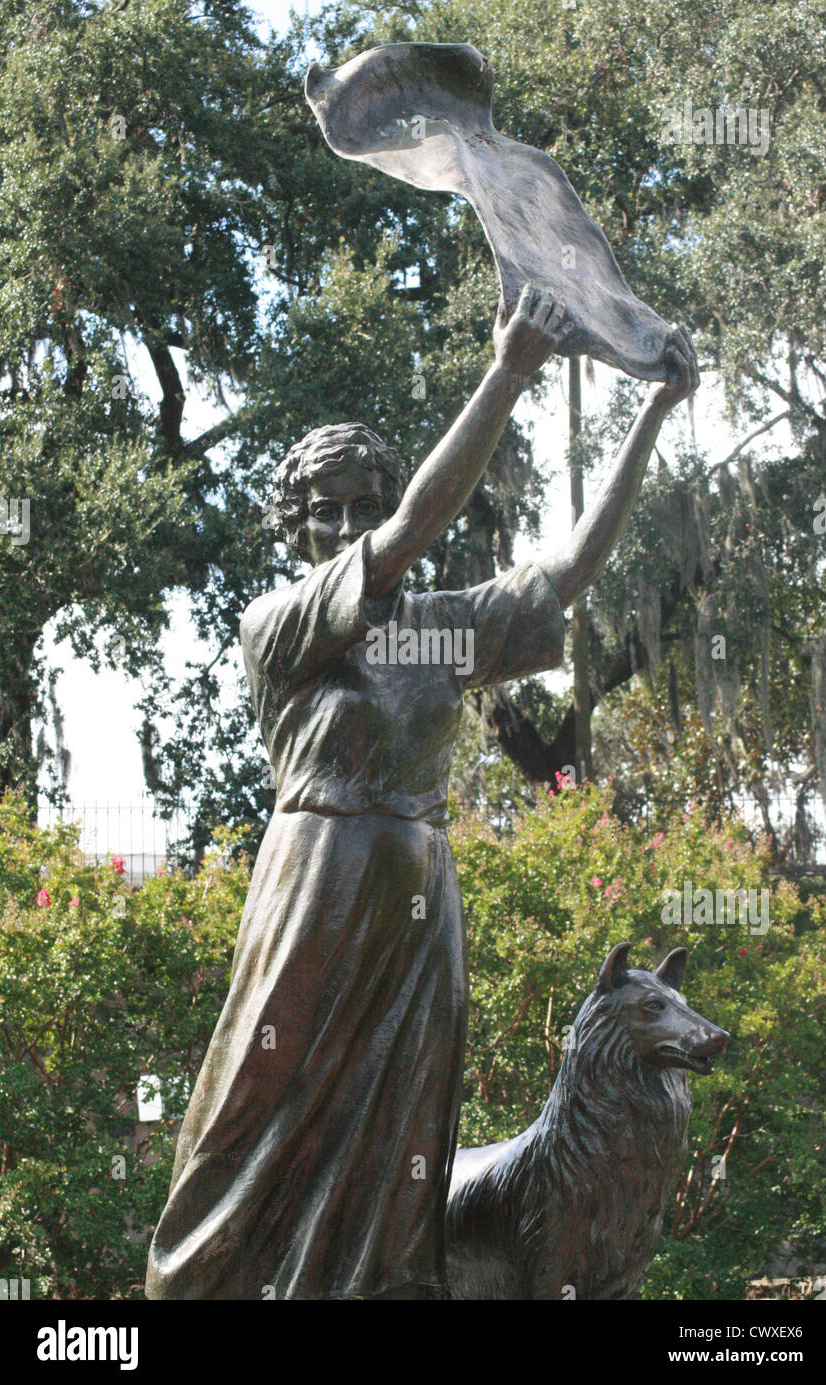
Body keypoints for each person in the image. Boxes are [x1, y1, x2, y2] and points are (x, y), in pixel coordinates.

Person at [145, 288, 699, 1300]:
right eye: (326, 512)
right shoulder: (282, 623)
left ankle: (381, 1285)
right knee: (260, 1093)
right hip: (319, 876)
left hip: (416, 890)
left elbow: (567, 571)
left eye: (363, 500)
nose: (346, 525)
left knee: (401, 1107)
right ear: (296, 527)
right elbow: (402, 534)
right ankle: (208, 1282)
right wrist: (508, 371)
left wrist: (652, 414)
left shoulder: (439, 631)